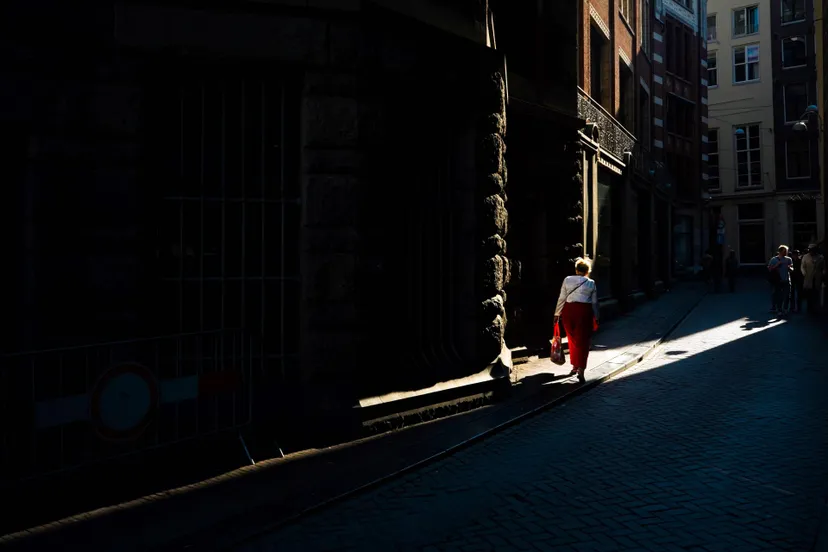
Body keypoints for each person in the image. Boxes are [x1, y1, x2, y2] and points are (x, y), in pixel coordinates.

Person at [553, 257, 600, 384]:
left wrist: (557, 313)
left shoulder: (567, 280)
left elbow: (562, 297)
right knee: (583, 341)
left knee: (572, 339)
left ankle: (574, 366)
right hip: (584, 312)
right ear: (587, 271)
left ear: (576, 269)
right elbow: (594, 303)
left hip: (568, 311)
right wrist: (597, 317)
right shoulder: (591, 283)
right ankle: (581, 370)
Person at [767, 245, 793, 317]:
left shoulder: (788, 259)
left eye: (787, 251)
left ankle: (785, 308)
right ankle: (779, 309)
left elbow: (792, 269)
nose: (786, 253)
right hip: (778, 280)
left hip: (787, 279)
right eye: (785, 251)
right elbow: (769, 269)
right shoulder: (773, 259)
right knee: (779, 295)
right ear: (780, 251)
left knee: (787, 295)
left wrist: (790, 268)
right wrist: (777, 265)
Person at [801, 244, 825, 315]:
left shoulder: (820, 257)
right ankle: (809, 308)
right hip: (808, 278)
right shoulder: (805, 257)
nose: (811, 252)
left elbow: (823, 267)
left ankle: (816, 308)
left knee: (816, 293)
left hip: (817, 278)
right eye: (810, 250)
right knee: (809, 293)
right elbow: (802, 266)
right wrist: (804, 274)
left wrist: (823, 274)